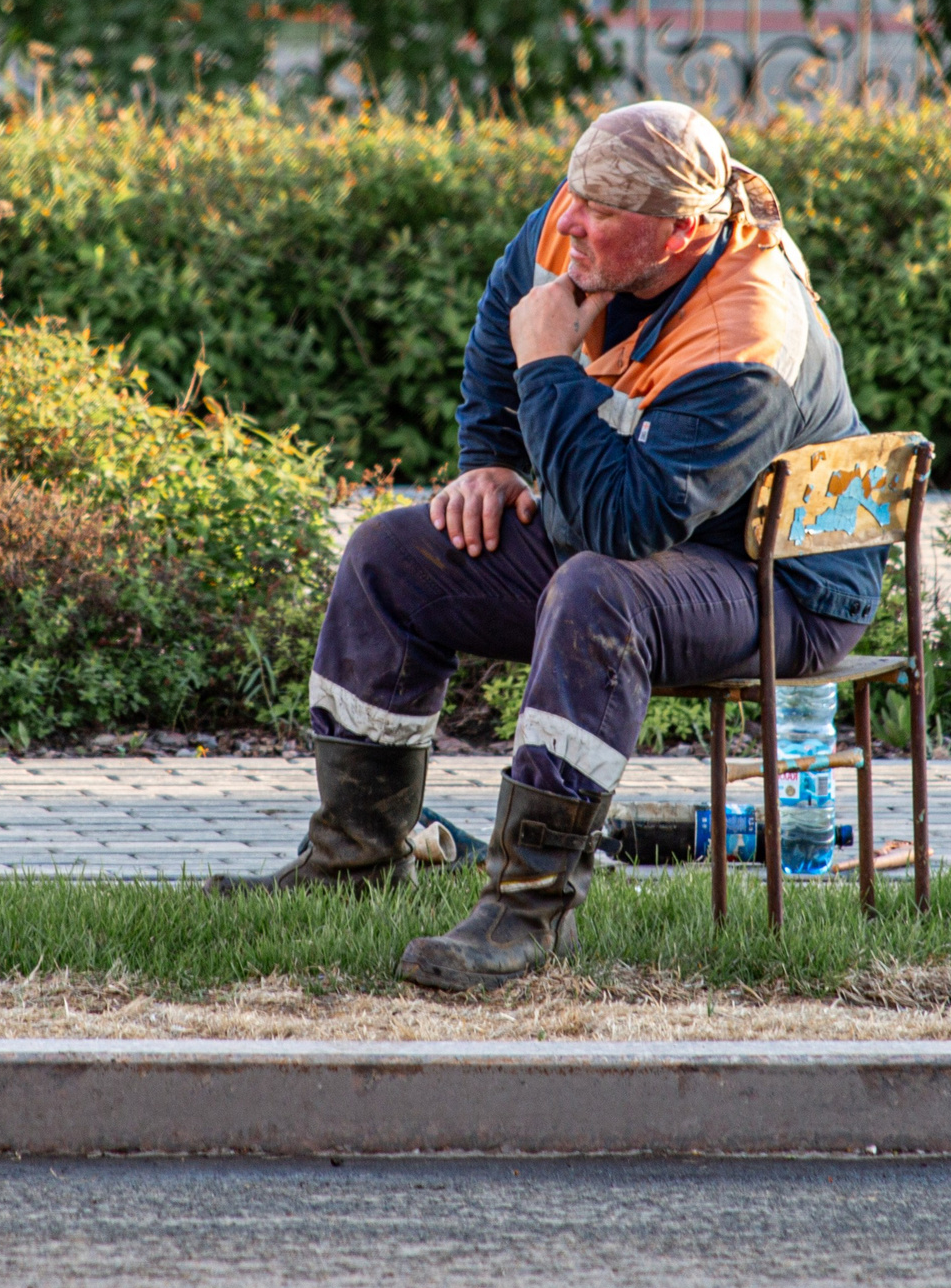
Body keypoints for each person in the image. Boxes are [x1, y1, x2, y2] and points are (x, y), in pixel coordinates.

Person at [210, 101, 885, 991]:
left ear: (682, 230)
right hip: (632, 532)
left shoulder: (747, 332)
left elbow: (624, 526)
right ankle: (354, 859)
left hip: (777, 582)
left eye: (599, 213)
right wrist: (488, 459)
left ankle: (529, 910)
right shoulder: (580, 220)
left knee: (596, 589)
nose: (568, 222)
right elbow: (507, 320)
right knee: (388, 557)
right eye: (572, 194)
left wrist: (547, 369)